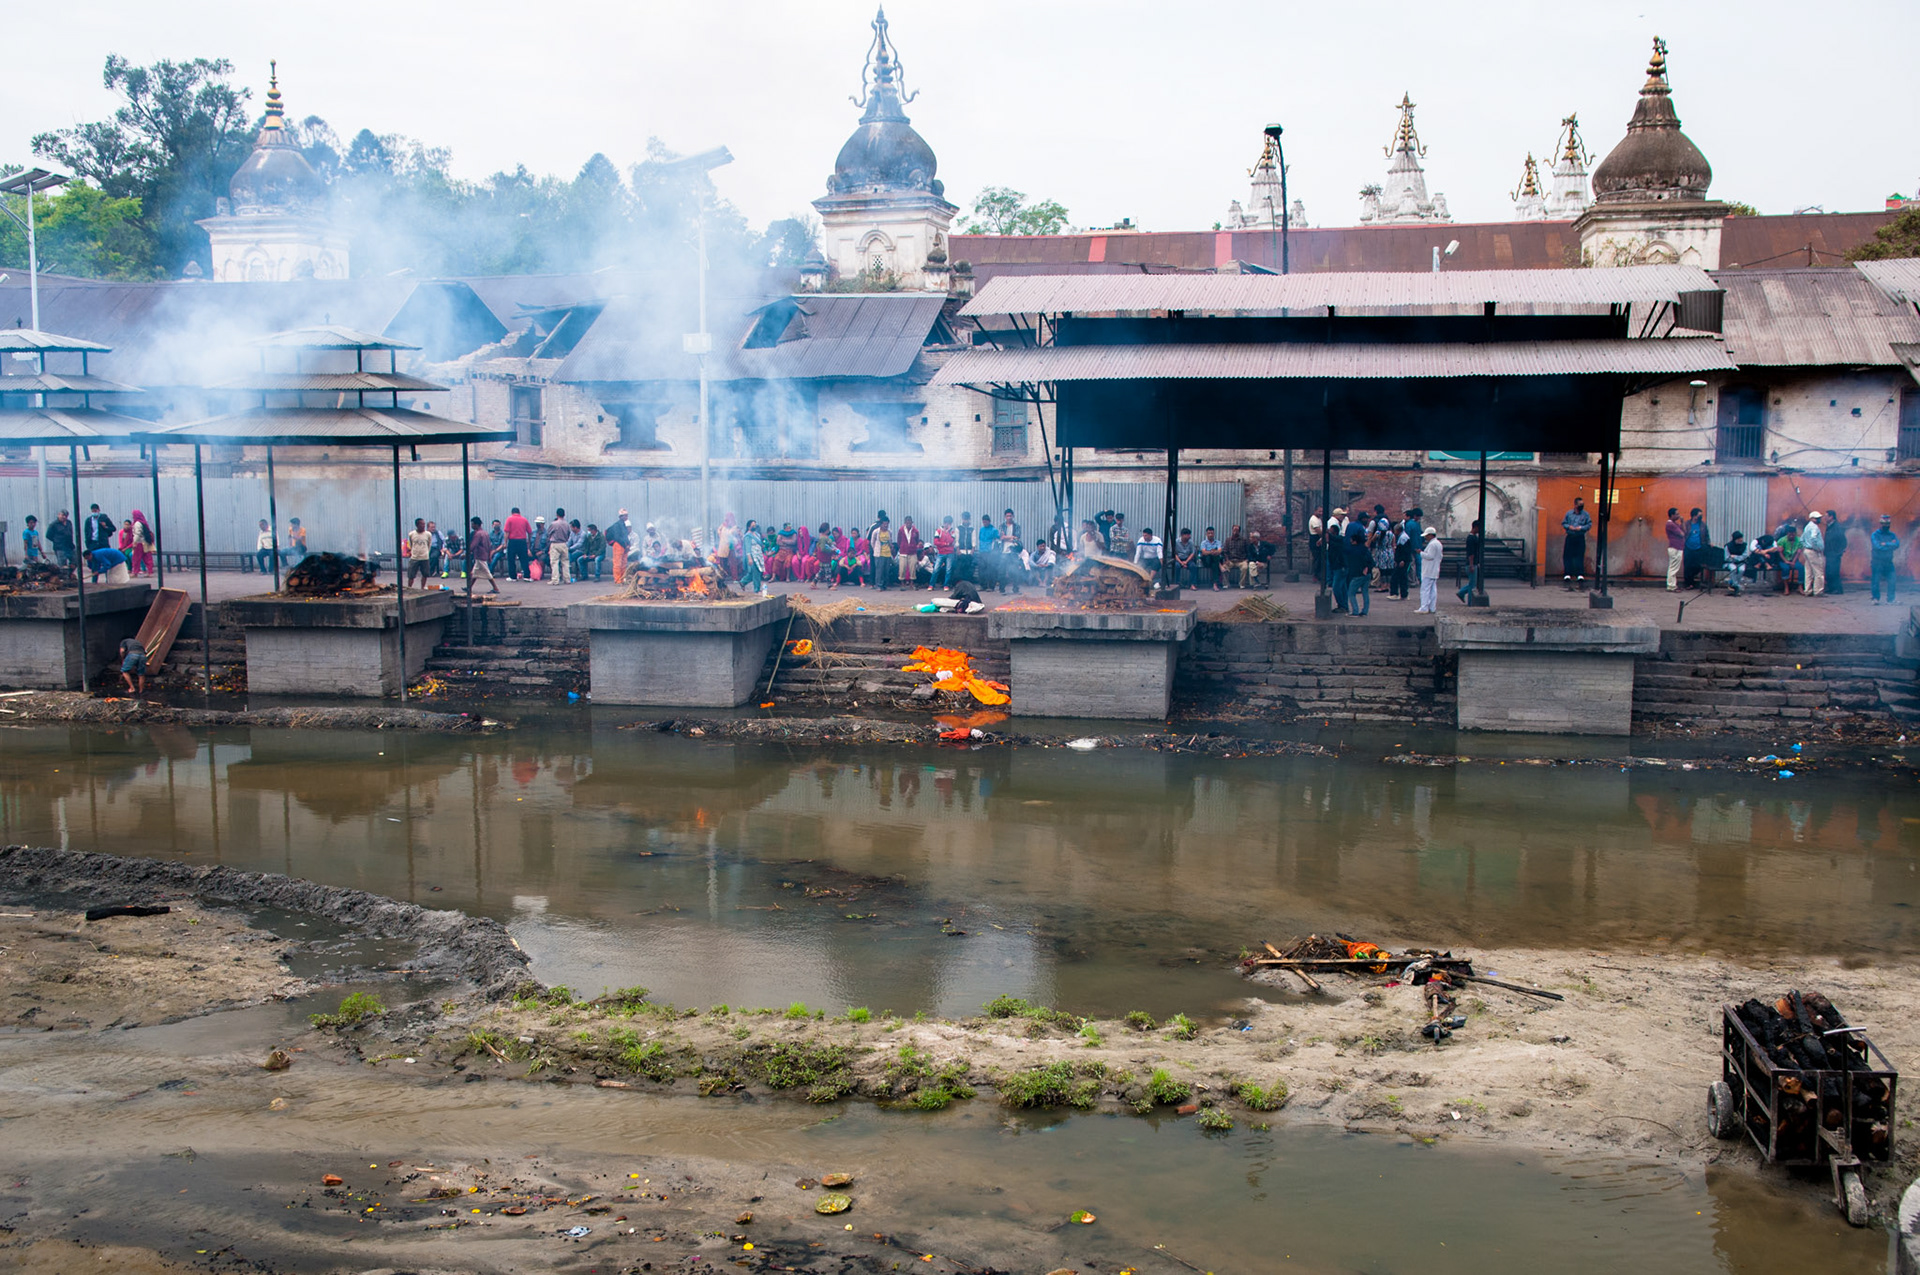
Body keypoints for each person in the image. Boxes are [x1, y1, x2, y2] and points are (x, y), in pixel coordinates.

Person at [1561, 496, 1591, 587]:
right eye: (1579, 504)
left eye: (1582, 504)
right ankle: (1567, 574)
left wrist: (1581, 528)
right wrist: (1569, 527)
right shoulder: (1569, 514)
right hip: (1570, 536)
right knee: (1567, 555)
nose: (1581, 506)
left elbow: (1589, 524)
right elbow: (1564, 523)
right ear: (1575, 505)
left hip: (1580, 536)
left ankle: (1580, 575)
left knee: (1579, 555)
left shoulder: (1585, 514)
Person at [1870, 514, 1899, 603]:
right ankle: (1875, 598)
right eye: (1884, 524)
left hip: (1888, 561)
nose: (1886, 526)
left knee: (1892, 580)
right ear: (1880, 524)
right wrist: (1890, 544)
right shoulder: (1875, 535)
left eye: (1887, 524)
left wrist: (1885, 544)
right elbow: (1877, 546)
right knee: (1876, 580)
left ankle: (1891, 599)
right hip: (1877, 561)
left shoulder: (1892, 534)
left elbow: (1897, 545)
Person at [1345, 525, 1373, 615]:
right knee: (1365, 592)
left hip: (1357, 574)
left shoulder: (1352, 550)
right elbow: (1371, 561)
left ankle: (1355, 611)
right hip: (1367, 574)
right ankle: (1365, 611)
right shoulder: (1364, 549)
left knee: (1351, 593)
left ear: (1354, 541)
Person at [1798, 511, 1826, 596]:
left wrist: (1806, 546)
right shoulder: (1814, 527)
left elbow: (1801, 539)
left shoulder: (1807, 527)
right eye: (1817, 518)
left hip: (1806, 550)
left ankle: (1807, 590)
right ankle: (1818, 591)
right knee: (1818, 572)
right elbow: (1814, 538)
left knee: (1808, 572)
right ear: (1812, 518)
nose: (1819, 519)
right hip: (1814, 551)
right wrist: (1817, 548)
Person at [1416, 527, 1443, 613]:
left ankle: (1424, 607)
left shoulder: (1432, 544)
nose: (1425, 537)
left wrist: (1420, 553)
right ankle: (1432, 607)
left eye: (1427, 536)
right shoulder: (1438, 543)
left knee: (1425, 589)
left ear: (1431, 535)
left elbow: (1430, 556)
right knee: (1432, 590)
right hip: (1434, 569)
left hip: (1428, 570)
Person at [1682, 508, 1711, 589]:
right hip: (1688, 547)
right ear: (1694, 516)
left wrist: (1708, 543)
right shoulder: (1687, 524)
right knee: (1687, 566)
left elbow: (1706, 535)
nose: (1700, 517)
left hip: (1698, 548)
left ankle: (1693, 579)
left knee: (1697, 566)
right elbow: (1683, 534)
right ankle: (1688, 583)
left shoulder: (1702, 525)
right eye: (1699, 515)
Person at [1457, 519, 1484, 603]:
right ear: (1475, 527)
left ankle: (1462, 593)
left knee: (1472, 583)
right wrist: (1471, 564)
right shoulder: (1471, 539)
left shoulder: (1473, 537)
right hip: (1471, 563)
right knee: (1472, 584)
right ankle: (1469, 600)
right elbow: (1471, 553)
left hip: (1472, 562)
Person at [503, 507, 532, 580]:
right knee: (524, 559)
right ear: (519, 512)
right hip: (522, 541)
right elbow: (530, 532)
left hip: (512, 541)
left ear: (512, 512)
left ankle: (513, 577)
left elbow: (507, 532)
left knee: (511, 559)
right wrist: (528, 541)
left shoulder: (509, 519)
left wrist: (505, 543)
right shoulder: (524, 520)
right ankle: (527, 576)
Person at [607, 509, 633, 584]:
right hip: (618, 545)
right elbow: (617, 537)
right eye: (625, 515)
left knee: (624, 562)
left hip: (624, 545)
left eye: (627, 515)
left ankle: (622, 578)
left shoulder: (623, 525)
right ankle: (617, 580)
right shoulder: (617, 525)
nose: (626, 517)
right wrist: (625, 545)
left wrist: (628, 544)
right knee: (617, 563)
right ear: (620, 516)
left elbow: (625, 536)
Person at [546, 512, 573, 585]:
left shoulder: (554, 524)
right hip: (564, 544)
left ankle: (555, 580)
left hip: (555, 544)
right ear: (564, 514)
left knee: (554, 562)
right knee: (565, 562)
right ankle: (567, 579)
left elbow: (548, 534)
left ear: (556, 514)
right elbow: (568, 534)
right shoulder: (567, 524)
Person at [1823, 511, 1846, 596]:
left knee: (1834, 571)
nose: (1825, 518)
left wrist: (1838, 552)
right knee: (1829, 571)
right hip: (1829, 553)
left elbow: (1843, 540)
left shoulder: (1837, 527)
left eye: (1826, 516)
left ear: (1831, 517)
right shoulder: (1830, 526)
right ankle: (1831, 588)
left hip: (1834, 553)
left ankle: (1837, 589)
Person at [405, 518, 433, 588]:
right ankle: (409, 587)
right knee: (411, 575)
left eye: (424, 524)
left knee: (425, 574)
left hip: (424, 557)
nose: (423, 526)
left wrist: (426, 553)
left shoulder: (428, 534)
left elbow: (429, 544)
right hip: (415, 557)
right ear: (417, 525)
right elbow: (411, 544)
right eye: (421, 524)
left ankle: (422, 587)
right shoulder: (412, 534)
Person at [931, 516, 957, 589]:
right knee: (936, 569)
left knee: (948, 570)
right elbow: (936, 542)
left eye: (949, 524)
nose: (948, 525)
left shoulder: (952, 531)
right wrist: (945, 544)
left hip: (950, 553)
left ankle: (946, 585)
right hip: (941, 553)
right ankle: (931, 584)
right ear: (944, 523)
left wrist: (947, 532)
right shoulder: (938, 531)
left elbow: (951, 540)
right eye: (946, 523)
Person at [1723, 531, 1752, 595]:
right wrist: (1734, 559)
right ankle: (1736, 586)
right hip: (1730, 563)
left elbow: (1744, 556)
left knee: (1741, 570)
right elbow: (1727, 558)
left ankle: (1734, 584)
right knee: (1733, 569)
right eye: (1739, 539)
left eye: (1741, 538)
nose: (1741, 540)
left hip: (1741, 562)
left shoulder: (1744, 545)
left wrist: (1735, 557)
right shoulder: (1728, 546)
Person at [896, 516, 923, 584]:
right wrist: (902, 546)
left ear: (912, 522)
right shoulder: (901, 530)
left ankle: (912, 583)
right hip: (903, 552)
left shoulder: (915, 531)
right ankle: (902, 583)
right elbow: (899, 540)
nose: (908, 524)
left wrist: (913, 546)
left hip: (912, 552)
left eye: (910, 522)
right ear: (905, 523)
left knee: (912, 568)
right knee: (902, 568)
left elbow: (916, 541)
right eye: (907, 522)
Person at [975, 515, 999, 590]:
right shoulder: (981, 529)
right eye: (983, 522)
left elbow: (997, 540)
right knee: (981, 569)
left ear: (989, 521)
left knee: (990, 570)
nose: (984, 523)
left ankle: (991, 586)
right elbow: (980, 539)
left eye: (985, 522)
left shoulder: (994, 530)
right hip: (982, 551)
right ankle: (983, 585)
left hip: (990, 552)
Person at [870, 517, 895, 590]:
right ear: (881, 524)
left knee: (886, 570)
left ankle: (884, 585)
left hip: (887, 553)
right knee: (879, 570)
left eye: (887, 524)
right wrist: (876, 549)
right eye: (884, 524)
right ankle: (878, 585)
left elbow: (890, 541)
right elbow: (872, 542)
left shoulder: (889, 532)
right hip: (879, 553)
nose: (885, 525)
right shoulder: (876, 532)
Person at [128, 510, 155, 576]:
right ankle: (150, 572)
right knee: (147, 557)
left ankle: (135, 572)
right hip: (146, 542)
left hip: (139, 543)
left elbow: (137, 534)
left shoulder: (137, 523)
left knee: (136, 558)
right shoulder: (144, 523)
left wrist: (135, 542)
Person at [1664, 507, 1684, 591]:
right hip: (1675, 547)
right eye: (1677, 514)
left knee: (1674, 567)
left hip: (1677, 547)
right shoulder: (1670, 524)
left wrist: (1682, 523)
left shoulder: (1674, 524)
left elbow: (1683, 531)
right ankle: (1671, 586)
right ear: (1672, 515)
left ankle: (1672, 585)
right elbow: (1682, 534)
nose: (1678, 516)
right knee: (1673, 568)